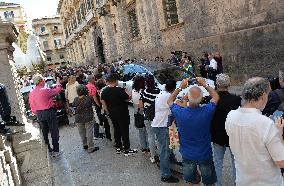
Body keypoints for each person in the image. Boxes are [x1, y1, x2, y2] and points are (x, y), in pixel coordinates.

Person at [225, 77, 284, 186]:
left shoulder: (230, 116)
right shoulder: (266, 124)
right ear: (262, 96)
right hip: (267, 182)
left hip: (243, 180)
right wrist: (279, 134)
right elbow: (281, 162)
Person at [167, 77, 219, 186]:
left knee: (189, 181)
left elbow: (170, 101)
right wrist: (205, 84)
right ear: (201, 99)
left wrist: (181, 87)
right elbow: (216, 96)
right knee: (209, 182)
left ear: (188, 99)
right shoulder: (207, 111)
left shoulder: (180, 112)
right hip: (204, 153)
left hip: (187, 153)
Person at [211, 74, 241, 186]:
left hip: (217, 134)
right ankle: (236, 183)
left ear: (217, 84)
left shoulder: (212, 100)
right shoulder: (236, 99)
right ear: (229, 84)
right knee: (235, 162)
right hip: (232, 134)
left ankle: (217, 183)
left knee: (218, 161)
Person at [101, 74, 137, 156]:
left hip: (112, 113)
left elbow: (103, 103)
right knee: (124, 130)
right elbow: (128, 99)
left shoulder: (104, 91)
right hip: (122, 113)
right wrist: (129, 93)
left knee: (116, 130)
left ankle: (119, 147)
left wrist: (108, 112)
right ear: (115, 81)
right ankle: (127, 149)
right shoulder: (120, 90)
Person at [152, 79, 179, 183]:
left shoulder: (162, 93)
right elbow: (180, 104)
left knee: (169, 147)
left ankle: (172, 164)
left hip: (162, 125)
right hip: (161, 126)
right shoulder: (167, 96)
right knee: (165, 151)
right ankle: (165, 175)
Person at [29, 74, 62, 157]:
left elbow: (32, 107)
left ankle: (48, 150)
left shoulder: (31, 93)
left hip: (40, 113)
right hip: (49, 112)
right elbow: (58, 90)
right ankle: (56, 150)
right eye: (43, 80)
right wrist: (57, 81)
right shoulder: (45, 90)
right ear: (40, 81)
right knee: (54, 131)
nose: (44, 81)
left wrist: (38, 112)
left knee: (44, 133)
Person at [139, 75, 160, 163]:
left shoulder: (144, 92)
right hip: (158, 117)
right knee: (159, 137)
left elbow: (140, 106)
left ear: (146, 83)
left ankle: (153, 156)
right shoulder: (159, 91)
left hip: (147, 117)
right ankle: (161, 154)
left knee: (150, 136)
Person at [73, 84, 99, 153]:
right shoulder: (88, 98)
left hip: (78, 118)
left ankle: (85, 144)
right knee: (89, 132)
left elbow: (73, 107)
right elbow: (93, 103)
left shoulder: (75, 99)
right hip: (88, 117)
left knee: (82, 132)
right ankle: (91, 147)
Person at [131, 75, 149, 153]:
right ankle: (148, 146)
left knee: (141, 130)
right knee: (147, 130)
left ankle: (143, 146)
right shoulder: (144, 91)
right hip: (144, 111)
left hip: (136, 112)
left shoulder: (133, 91)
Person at [86, 75, 103, 139]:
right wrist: (98, 104)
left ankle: (96, 133)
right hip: (94, 105)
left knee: (95, 118)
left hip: (89, 104)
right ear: (92, 79)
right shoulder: (92, 86)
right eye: (94, 78)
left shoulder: (87, 86)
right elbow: (94, 97)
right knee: (97, 119)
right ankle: (96, 134)